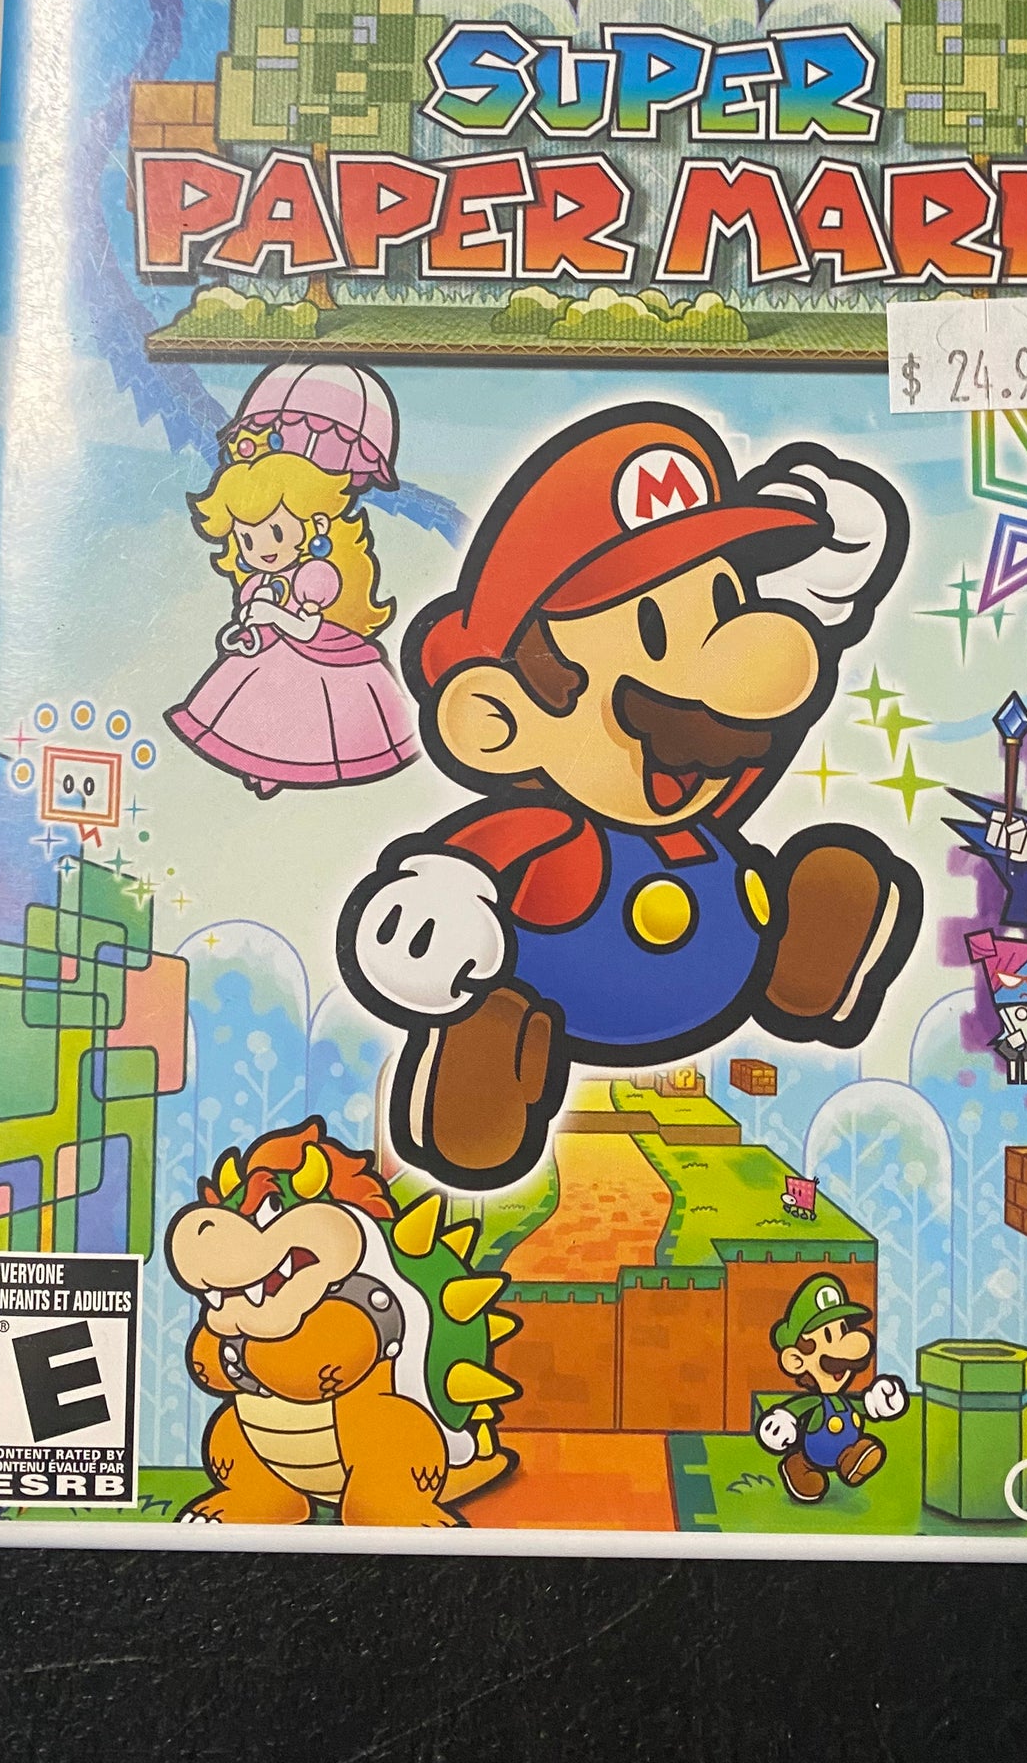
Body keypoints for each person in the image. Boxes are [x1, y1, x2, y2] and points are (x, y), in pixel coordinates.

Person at [337, 400, 922, 1187]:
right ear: (500, 720)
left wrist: (812, 606)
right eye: (654, 635)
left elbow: (751, 736)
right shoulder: (552, 826)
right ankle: (486, 1064)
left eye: (725, 607)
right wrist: (441, 897)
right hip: (565, 1001)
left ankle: (801, 970)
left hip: (731, 964)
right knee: (500, 1015)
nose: (721, 674)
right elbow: (481, 854)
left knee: (818, 880)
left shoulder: (699, 784)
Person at [167, 447, 416, 797]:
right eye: (247, 539)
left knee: (310, 717)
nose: (263, 548)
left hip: (323, 658)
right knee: (258, 704)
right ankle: (263, 766)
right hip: (272, 659)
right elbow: (257, 630)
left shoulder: (314, 576)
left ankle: (286, 767)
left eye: (277, 532)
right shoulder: (258, 583)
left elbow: (308, 629)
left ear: (314, 525)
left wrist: (273, 614)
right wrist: (245, 631)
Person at [754, 1273, 907, 1503]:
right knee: (807, 1471)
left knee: (855, 1449)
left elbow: (861, 1406)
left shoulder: (844, 1400)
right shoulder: (814, 1402)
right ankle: (799, 1466)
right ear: (796, 1360)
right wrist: (783, 1421)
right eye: (828, 1336)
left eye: (843, 1330)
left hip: (845, 1449)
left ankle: (851, 1460)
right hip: (814, 1454)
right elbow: (796, 1409)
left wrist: (876, 1402)